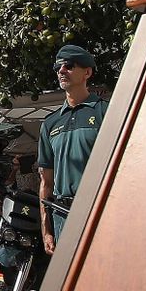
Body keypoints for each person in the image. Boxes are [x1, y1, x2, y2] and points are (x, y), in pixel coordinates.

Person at [37, 43, 109, 251]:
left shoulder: (106, 112)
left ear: (87, 72)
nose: (61, 70)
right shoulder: (50, 123)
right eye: (58, 67)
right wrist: (46, 229)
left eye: (68, 65)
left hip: (99, 213)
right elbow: (46, 181)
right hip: (62, 216)